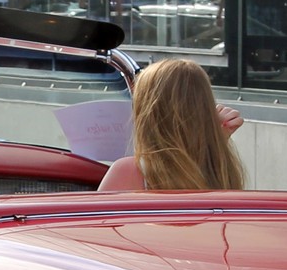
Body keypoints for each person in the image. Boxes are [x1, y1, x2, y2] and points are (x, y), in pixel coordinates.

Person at [98, 58, 247, 192]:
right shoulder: (222, 170)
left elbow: (97, 215)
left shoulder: (129, 171)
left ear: (147, 112)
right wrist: (216, 142)